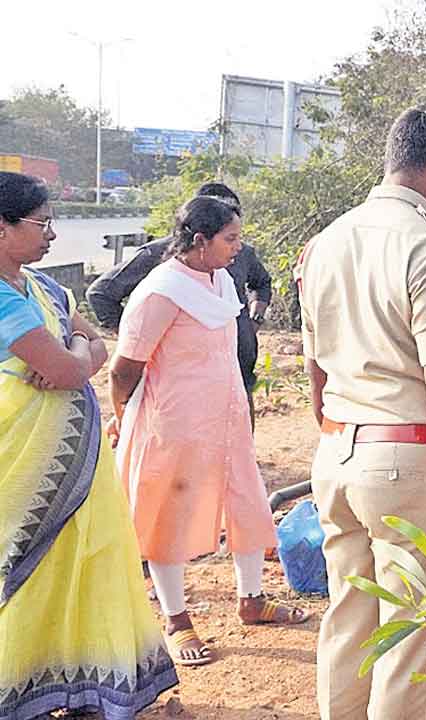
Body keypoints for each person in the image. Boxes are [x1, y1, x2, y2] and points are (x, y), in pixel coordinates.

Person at [299, 106, 426, 720]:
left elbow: (315, 364)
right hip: (404, 460)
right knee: (412, 633)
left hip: (336, 452)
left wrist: (339, 436)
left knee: (348, 618)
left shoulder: (326, 242)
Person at [0, 172, 178, 718]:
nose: (52, 233)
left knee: (79, 565)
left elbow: (96, 347)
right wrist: (76, 360)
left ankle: (78, 683)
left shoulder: (47, 290)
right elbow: (70, 366)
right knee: (17, 570)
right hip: (18, 469)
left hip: (78, 470)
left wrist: (75, 355)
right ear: (2, 228)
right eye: (41, 222)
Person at [108, 196, 307, 668]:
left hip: (227, 418)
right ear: (200, 241)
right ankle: (176, 619)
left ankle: (252, 599)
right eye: (230, 239)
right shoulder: (160, 290)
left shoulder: (219, 280)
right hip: (173, 425)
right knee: (168, 518)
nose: (239, 247)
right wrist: (123, 416)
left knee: (247, 504)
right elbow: (124, 369)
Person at [88, 182, 273, 419]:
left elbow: (262, 283)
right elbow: (101, 294)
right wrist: (140, 337)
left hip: (237, 371)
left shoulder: (237, 257)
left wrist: (253, 320)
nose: (235, 245)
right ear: (201, 235)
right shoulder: (160, 266)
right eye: (229, 236)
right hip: (179, 395)